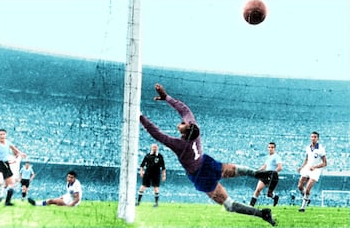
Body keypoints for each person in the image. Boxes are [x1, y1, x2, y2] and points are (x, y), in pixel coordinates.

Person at [139, 84, 276, 226]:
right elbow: (183, 109)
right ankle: (258, 174)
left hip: (200, 176)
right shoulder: (193, 128)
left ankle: (262, 213)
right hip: (207, 163)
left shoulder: (180, 145)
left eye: (181, 125)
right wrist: (167, 97)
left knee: (229, 205)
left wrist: (140, 116)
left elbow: (157, 133)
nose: (180, 123)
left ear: (184, 133)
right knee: (232, 170)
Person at [0, 128, 27, 206]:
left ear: (5, 135)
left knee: (11, 184)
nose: (2, 136)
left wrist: (21, 153)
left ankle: (7, 202)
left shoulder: (7, 143)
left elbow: (14, 148)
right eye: (0, 134)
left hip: (6, 165)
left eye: (3, 134)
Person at [297, 131, 327, 212]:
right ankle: (307, 198)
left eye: (315, 137)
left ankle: (303, 207)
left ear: (317, 138)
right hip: (307, 168)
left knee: (307, 189)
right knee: (299, 186)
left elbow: (325, 163)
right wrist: (301, 167)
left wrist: (315, 167)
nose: (313, 138)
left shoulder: (320, 149)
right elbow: (307, 159)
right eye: (312, 137)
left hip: (316, 170)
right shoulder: (308, 147)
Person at [250, 142, 282, 207]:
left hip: (272, 176)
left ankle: (275, 197)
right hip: (266, 175)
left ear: (274, 148)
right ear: (267, 148)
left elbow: (280, 167)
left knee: (269, 194)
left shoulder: (277, 157)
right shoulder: (268, 157)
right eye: (269, 147)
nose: (270, 149)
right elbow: (265, 166)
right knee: (258, 190)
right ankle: (251, 206)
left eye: (272, 147)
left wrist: (273, 173)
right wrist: (257, 170)